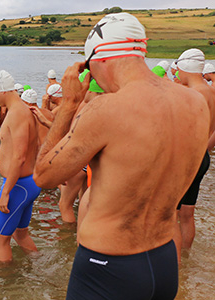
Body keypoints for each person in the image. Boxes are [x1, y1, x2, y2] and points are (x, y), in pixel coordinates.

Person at [34, 13, 208, 299]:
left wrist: (69, 104)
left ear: (99, 59)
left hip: (108, 267)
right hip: (163, 260)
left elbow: (44, 176)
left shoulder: (105, 109)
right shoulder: (195, 102)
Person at [0, 70, 41, 263]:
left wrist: (6, 191)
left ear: (2, 90)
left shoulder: (17, 113)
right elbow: (37, 146)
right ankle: (38, 265)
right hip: (27, 182)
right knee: (20, 234)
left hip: (18, 185)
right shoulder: (23, 110)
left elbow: (19, 156)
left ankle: (4, 286)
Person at [174, 48, 214, 252]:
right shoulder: (210, 91)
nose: (177, 73)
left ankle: (175, 262)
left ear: (185, 67)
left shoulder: (192, 94)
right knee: (187, 214)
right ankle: (186, 257)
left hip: (187, 159)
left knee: (170, 214)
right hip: (202, 157)